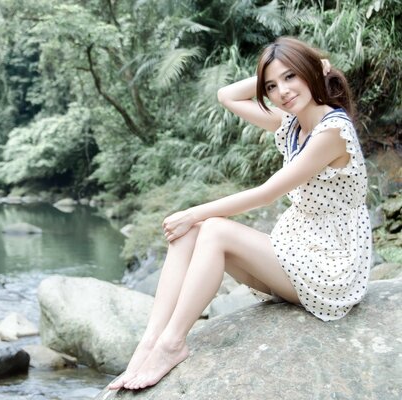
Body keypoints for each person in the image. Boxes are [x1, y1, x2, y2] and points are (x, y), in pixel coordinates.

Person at [108, 36, 372, 391]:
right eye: (272, 86)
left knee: (211, 228)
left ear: (310, 73)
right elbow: (227, 96)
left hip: (330, 268)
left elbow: (267, 194)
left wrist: (192, 211)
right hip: (296, 253)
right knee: (190, 232)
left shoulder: (333, 131)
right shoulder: (291, 124)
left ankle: (172, 345)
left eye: (292, 77)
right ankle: (151, 342)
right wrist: (303, 66)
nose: (283, 92)